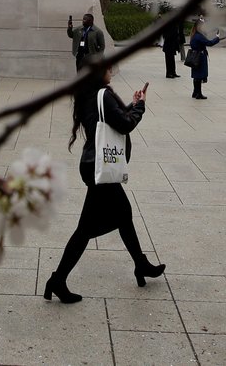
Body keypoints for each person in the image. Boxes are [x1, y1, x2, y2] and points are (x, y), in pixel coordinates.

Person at [44, 64, 164, 303]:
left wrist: (131, 104)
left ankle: (140, 264)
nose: (111, 68)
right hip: (101, 167)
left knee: (123, 214)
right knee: (88, 229)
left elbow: (112, 119)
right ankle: (58, 279)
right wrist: (140, 107)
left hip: (92, 165)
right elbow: (126, 125)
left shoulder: (90, 95)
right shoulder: (104, 94)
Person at [188, 18, 222, 99]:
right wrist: (217, 38)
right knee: (199, 75)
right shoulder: (199, 36)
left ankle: (195, 92)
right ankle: (198, 93)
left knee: (196, 75)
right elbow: (209, 43)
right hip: (200, 56)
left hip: (195, 56)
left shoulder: (194, 34)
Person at [160, 12, 183, 78]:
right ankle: (168, 73)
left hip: (172, 45)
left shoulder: (174, 25)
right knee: (168, 60)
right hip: (168, 45)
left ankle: (173, 72)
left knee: (172, 60)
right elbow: (166, 36)